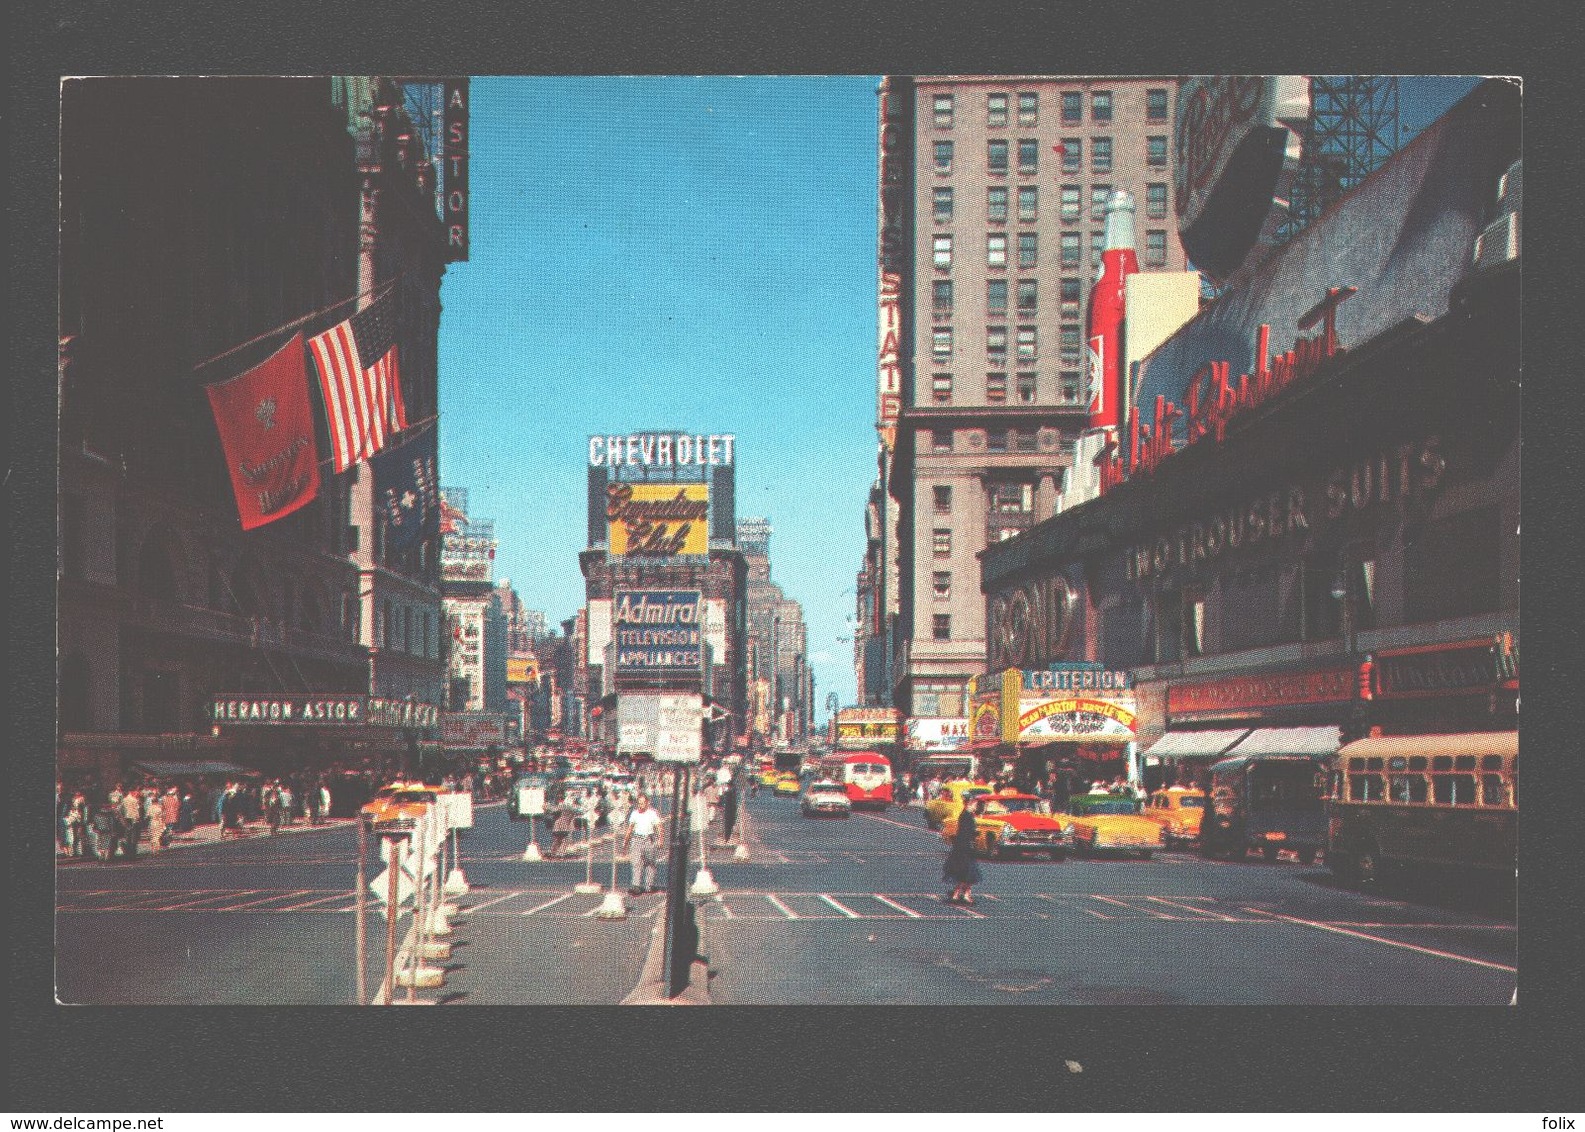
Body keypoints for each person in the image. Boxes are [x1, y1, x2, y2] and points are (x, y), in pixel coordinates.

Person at [943, 798, 983, 905]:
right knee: (967, 871)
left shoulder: (965, 815)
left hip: (962, 847)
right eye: (974, 804)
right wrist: (974, 835)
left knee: (967, 871)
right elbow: (966, 833)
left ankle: (962, 894)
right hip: (964, 848)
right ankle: (962, 895)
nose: (976, 807)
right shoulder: (967, 816)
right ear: (969, 804)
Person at [622, 794, 664, 895]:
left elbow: (659, 827)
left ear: (647, 803)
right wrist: (625, 842)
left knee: (650, 863)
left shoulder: (652, 814)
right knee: (636, 863)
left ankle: (648, 886)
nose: (640, 805)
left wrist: (661, 840)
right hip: (637, 839)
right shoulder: (634, 814)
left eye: (642, 803)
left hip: (649, 839)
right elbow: (630, 828)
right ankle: (636, 886)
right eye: (639, 803)